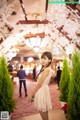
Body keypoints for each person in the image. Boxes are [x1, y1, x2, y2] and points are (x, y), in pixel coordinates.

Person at [29, 51, 53, 120]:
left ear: (49, 60)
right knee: (43, 110)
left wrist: (32, 94)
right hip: (42, 89)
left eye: (45, 58)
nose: (42, 60)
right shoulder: (44, 68)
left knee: (43, 110)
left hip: (42, 89)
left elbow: (39, 84)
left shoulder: (46, 69)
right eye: (42, 58)